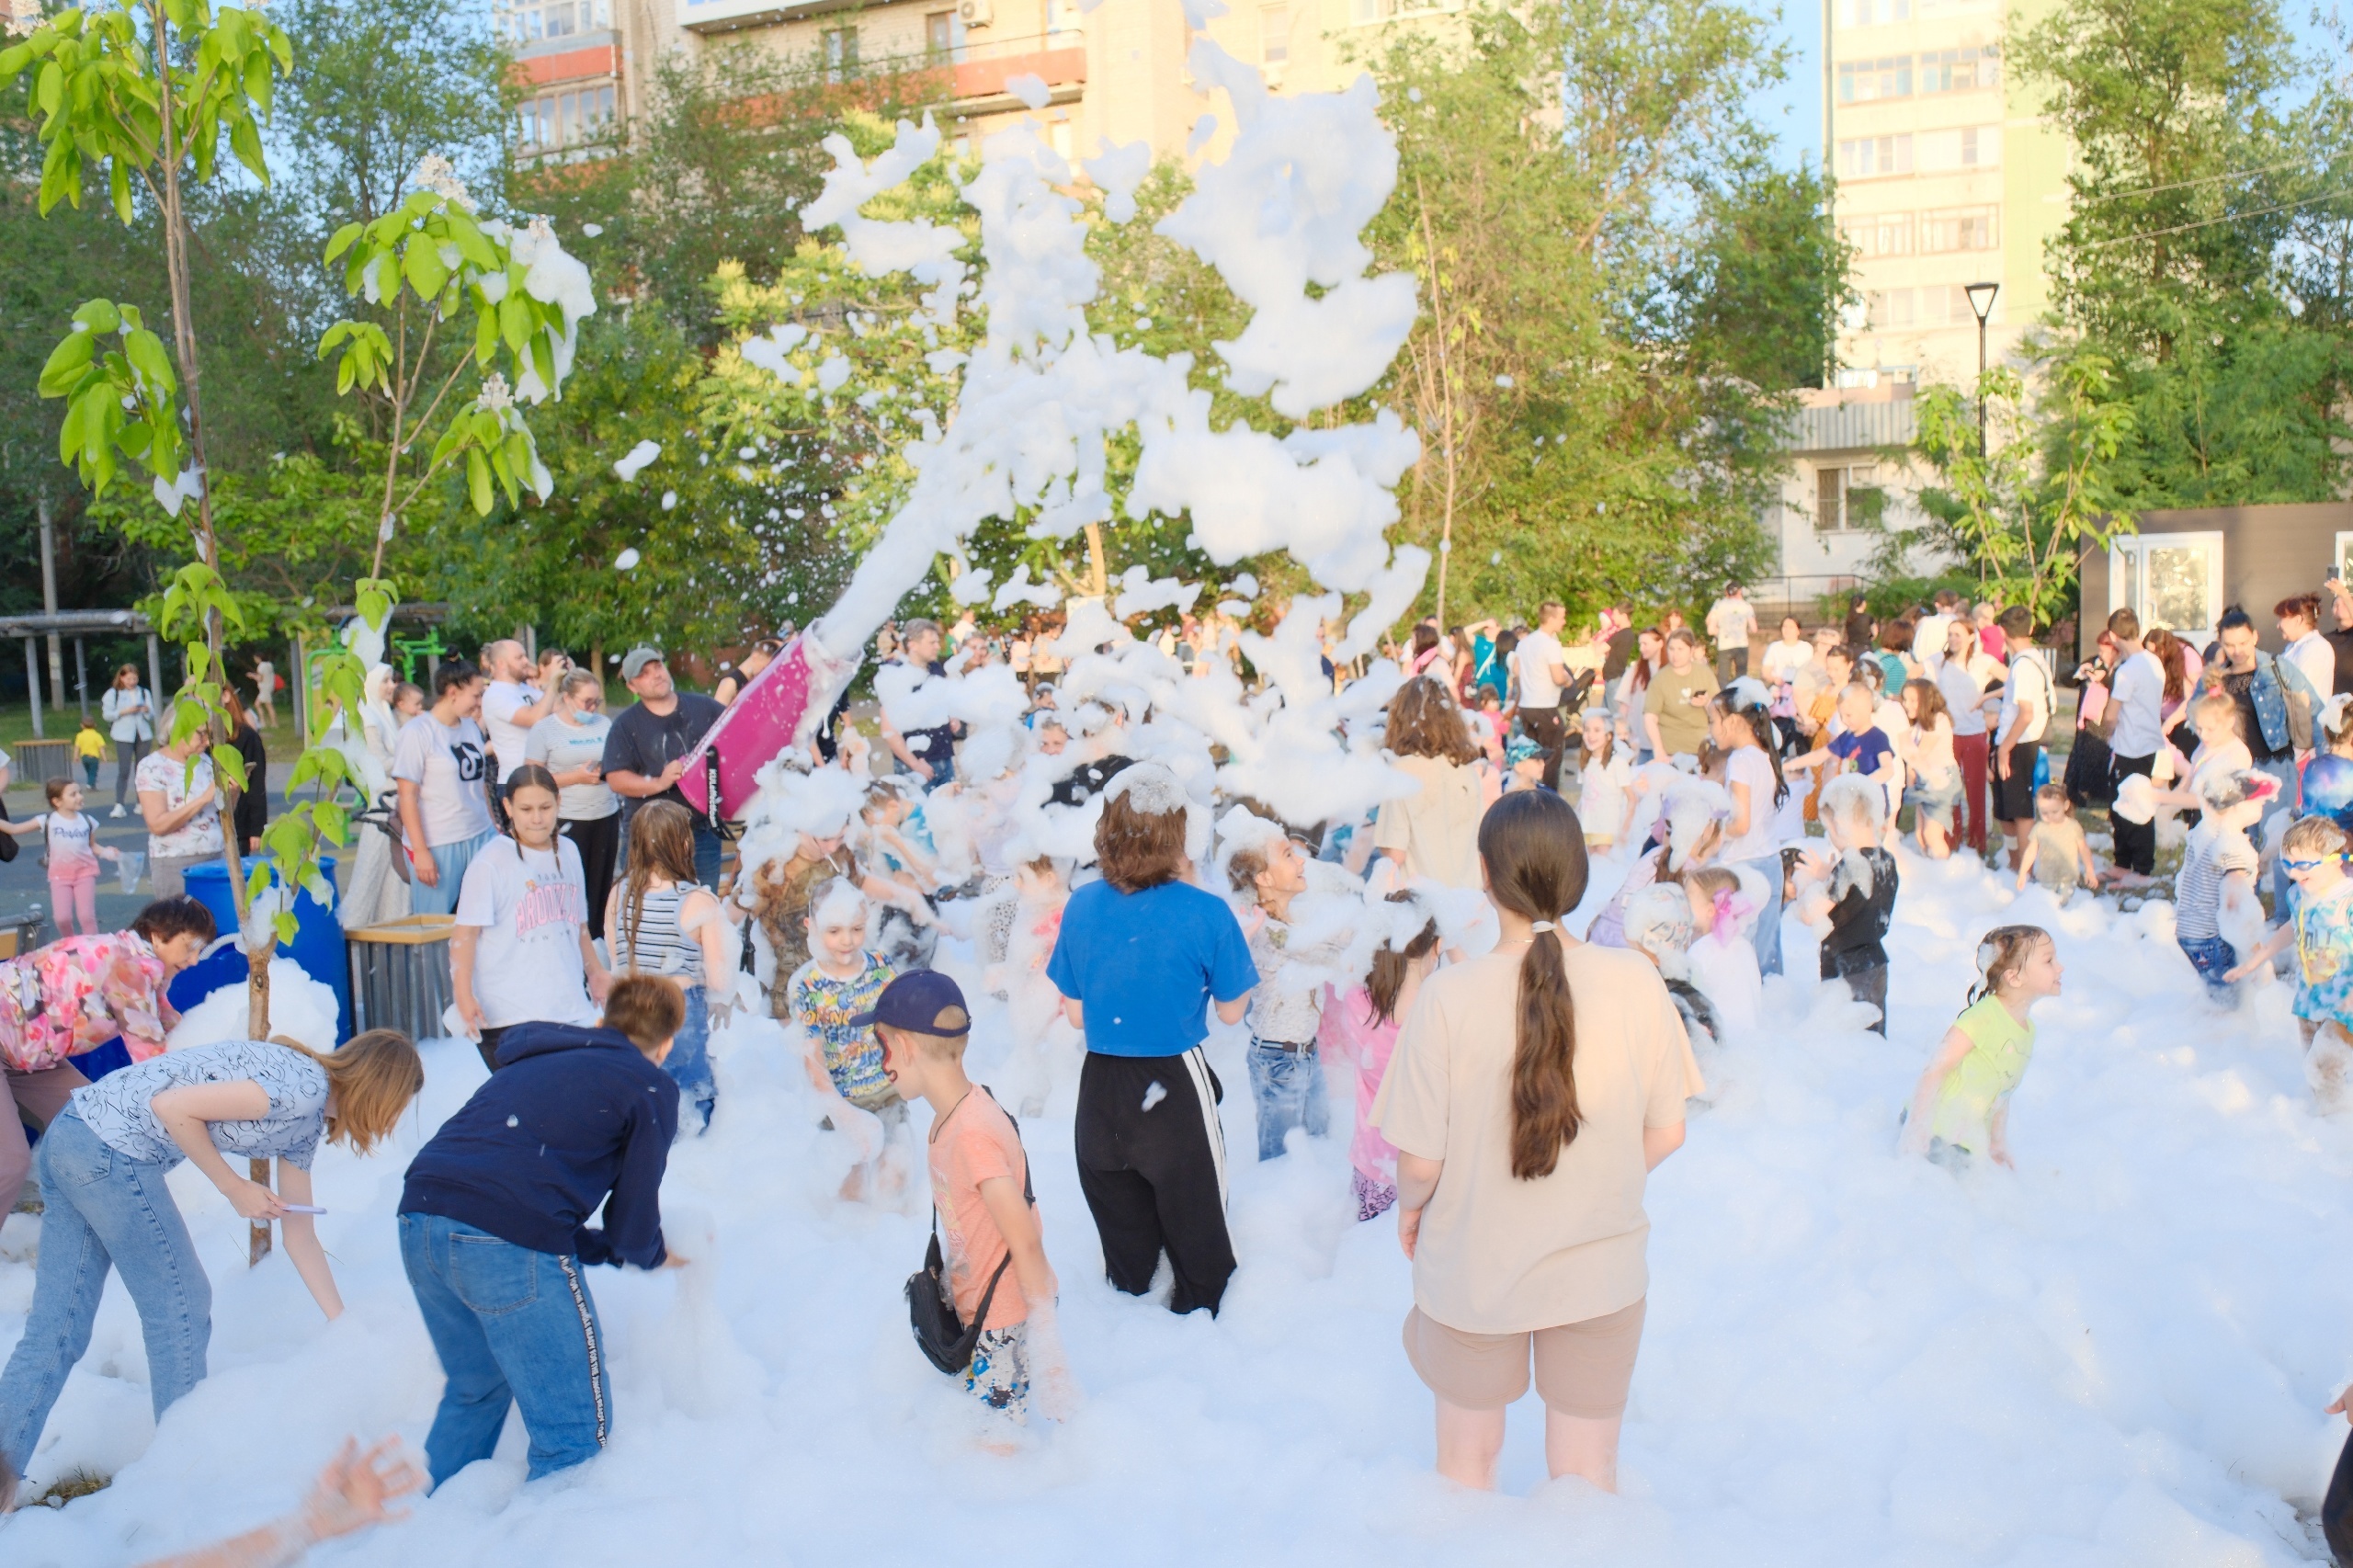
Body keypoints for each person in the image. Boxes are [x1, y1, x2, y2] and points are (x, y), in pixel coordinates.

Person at [1373, 787, 1701, 1494]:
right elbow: (1667, 1130)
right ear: (1579, 875)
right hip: (1600, 1267)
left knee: (1465, 1471)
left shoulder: (1449, 996)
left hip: (1472, 1264)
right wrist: (1602, 1176)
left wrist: (1409, 1209)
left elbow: (1421, 1160)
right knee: (1586, 1481)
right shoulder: (1636, 982)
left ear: (1485, 877)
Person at [0, 1029, 424, 1479]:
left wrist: (342, 1324)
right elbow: (173, 1107)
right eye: (397, 1105)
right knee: (180, 1305)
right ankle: (180, 1476)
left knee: (58, 1326)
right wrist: (235, 1187)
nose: (392, 1119)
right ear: (381, 1091)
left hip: (74, 1134)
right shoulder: (303, 1086)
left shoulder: (305, 1121)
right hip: (108, 1150)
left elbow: (300, 1234)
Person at [397, 976, 686, 1489]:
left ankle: (429, 1525)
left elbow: (511, 1190)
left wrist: (603, 1249)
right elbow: (632, 1219)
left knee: (475, 1389)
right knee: (574, 1435)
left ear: (602, 1023)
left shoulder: (535, 1060)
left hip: (420, 1218)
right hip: (504, 1239)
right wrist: (653, 1253)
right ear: (666, 1044)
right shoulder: (648, 1084)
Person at [1044, 764, 1256, 1317]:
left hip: (1100, 1090)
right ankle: (1201, 1313)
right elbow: (1234, 1013)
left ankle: (1132, 1300)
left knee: (1122, 1222)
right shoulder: (1207, 912)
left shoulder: (1082, 904)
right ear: (1181, 837)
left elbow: (1073, 1014)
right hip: (1173, 1087)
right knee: (1196, 1215)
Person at [870, 969, 1074, 1431]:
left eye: (882, 1047)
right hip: (980, 1309)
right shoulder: (954, 1115)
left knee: (997, 1445)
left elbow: (1025, 1240)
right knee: (981, 1428)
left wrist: (1050, 1353)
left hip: (1003, 1319)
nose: (881, 1063)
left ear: (904, 1047)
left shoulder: (972, 1134)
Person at [0, 895, 214, 1217]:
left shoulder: (136, 959)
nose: (195, 959)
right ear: (158, 935)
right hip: (11, 1039)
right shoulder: (127, 967)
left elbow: (165, 1021)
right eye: (190, 946)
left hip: (24, 1051)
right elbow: (153, 1061)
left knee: (96, 1123)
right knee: (12, 1160)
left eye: (201, 949)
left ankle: (93, 1220)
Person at [451, 765, 607, 1074]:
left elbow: (578, 925)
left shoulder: (570, 851)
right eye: (526, 809)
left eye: (545, 807)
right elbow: (465, 934)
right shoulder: (490, 862)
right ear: (508, 807)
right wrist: (463, 993)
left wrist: (596, 972)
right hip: (509, 1015)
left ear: (558, 803)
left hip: (568, 1007)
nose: (537, 818)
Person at [1225, 824, 1348, 1162]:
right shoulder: (1268, 932)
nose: (1301, 862)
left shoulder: (1290, 921)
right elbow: (1322, 953)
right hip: (1278, 1060)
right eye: (1288, 855)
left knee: (1318, 1145)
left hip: (1306, 1051)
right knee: (1280, 1161)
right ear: (1263, 879)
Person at [608, 800, 733, 1132]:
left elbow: (617, 957)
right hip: (679, 1010)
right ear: (684, 843)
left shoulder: (619, 893)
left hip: (629, 1005)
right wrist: (722, 997)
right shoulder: (698, 901)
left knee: (638, 1088)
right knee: (689, 1094)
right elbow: (720, 976)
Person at [1318, 892, 1439, 1221]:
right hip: (1425, 1164)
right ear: (1437, 947)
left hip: (1373, 1162)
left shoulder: (1357, 1001)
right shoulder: (1436, 1015)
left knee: (1362, 1247)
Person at [1900, 926, 2060, 1169]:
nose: (2060, 967)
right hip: (1935, 1132)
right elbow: (1935, 1068)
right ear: (2014, 977)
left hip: (1965, 1142)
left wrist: (1997, 1145)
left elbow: (2003, 1091)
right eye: (2049, 961)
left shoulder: (2027, 1029)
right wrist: (1916, 1128)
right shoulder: (1983, 1017)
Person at [788, 878, 904, 1199]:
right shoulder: (808, 986)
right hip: (843, 1100)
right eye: (834, 931)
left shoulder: (881, 967)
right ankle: (850, 1233)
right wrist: (842, 1113)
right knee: (850, 1187)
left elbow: (900, 1026)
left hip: (889, 1091)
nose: (847, 940)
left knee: (894, 1180)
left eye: (856, 929)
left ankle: (892, 1232)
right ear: (811, 926)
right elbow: (813, 1060)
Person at [603, 646, 727, 889]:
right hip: (650, 836)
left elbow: (737, 741)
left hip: (701, 832)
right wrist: (659, 783)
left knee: (703, 904)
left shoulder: (705, 708)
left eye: (658, 666)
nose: (656, 674)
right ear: (632, 687)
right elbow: (616, 779)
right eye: (645, 673)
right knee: (644, 907)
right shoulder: (625, 725)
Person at [1792, 776, 1897, 1034]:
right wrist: (1827, 875)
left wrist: (1804, 886)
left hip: (1845, 967)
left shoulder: (1850, 866)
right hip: (1875, 962)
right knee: (1871, 1037)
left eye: (1829, 829)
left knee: (1843, 1037)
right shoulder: (1886, 860)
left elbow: (1810, 915)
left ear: (1841, 825)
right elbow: (1861, 896)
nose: (1830, 837)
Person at [392, 664, 495, 917]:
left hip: (480, 833)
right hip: (441, 841)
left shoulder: (470, 727)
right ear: (453, 692)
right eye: (476, 695)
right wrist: (421, 851)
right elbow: (407, 796)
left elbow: (479, 784)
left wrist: (494, 827)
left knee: (486, 917)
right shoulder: (417, 732)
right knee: (436, 924)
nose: (480, 703)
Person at [527, 668, 621, 941]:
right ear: (567, 698)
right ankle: (567, 941)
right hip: (569, 817)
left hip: (604, 813)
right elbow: (533, 779)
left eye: (596, 701)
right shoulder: (545, 729)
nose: (592, 708)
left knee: (600, 886)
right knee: (569, 886)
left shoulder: (603, 724)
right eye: (586, 702)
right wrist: (575, 777)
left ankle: (598, 945)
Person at [1371, 676, 1487, 887]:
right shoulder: (1467, 771)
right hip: (1469, 902)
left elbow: (1394, 855)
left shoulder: (1402, 773)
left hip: (1424, 905)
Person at [1707, 690, 1788, 975]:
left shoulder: (1739, 761)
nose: (1710, 730)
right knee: (1768, 958)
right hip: (1771, 862)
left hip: (1744, 867)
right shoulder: (1765, 755)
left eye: (1712, 721)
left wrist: (1712, 838)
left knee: (1741, 958)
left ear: (1732, 722)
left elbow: (1741, 825)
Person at [2172, 770, 2272, 996]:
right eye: (2257, 803)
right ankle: (2218, 1029)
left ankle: (2208, 1022)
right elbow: (2234, 904)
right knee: (2228, 999)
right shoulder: (2233, 845)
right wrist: (2257, 951)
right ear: (2240, 808)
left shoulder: (2202, 833)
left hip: (2188, 930)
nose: (2260, 808)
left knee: (2214, 991)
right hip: (2211, 936)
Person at [2202, 605, 2312, 799]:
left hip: (2275, 766)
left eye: (2243, 643)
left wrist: (2325, 755)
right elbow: (2195, 714)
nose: (2237, 651)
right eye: (2229, 645)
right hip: (2233, 767)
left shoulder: (2277, 667)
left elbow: (2314, 707)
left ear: (2255, 636)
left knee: (2274, 828)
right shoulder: (2216, 677)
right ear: (2220, 642)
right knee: (2239, 829)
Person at [2, 777, 122, 937]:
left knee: (86, 916)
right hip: (60, 876)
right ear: (57, 801)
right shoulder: (47, 820)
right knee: (62, 918)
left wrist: (107, 852)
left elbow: (92, 845)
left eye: (79, 792)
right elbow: (14, 829)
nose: (80, 797)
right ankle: (70, 942)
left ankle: (93, 946)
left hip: (85, 873)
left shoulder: (88, 821)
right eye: (73, 794)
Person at [2102, 608, 2165, 887]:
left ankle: (2141, 869)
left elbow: (2111, 714)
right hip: (2149, 742)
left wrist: (2106, 734)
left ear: (2114, 636)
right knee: (2122, 806)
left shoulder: (2128, 671)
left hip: (2131, 746)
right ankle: (2122, 863)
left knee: (2133, 807)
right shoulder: (2154, 662)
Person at [1991, 606, 2055, 869]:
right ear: (2030, 629)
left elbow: (2026, 713)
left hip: (2021, 743)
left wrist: (2005, 748)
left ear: (2002, 631)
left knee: (2020, 811)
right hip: (2014, 740)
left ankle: (2024, 869)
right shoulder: (2032, 660)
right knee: (2006, 810)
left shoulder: (2024, 667)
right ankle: (2014, 861)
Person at [138, 713, 225, 898]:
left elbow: (220, 811)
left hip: (215, 855)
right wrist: (202, 799)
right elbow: (157, 825)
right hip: (176, 859)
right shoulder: (152, 766)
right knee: (180, 923)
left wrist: (232, 791)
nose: (207, 742)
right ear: (178, 731)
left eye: (210, 735)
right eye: (201, 734)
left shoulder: (205, 761)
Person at [1933, 619, 1998, 855]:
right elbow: (1912, 673)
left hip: (1974, 733)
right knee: (1951, 789)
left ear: (1971, 637)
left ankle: (1977, 844)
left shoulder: (1982, 662)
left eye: (1958, 634)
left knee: (1975, 791)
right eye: (1950, 634)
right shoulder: (1939, 662)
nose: (1953, 639)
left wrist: (1989, 701)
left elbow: (2014, 680)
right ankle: (1951, 840)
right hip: (1948, 734)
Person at [879, 618, 961, 792]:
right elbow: (888, 730)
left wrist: (951, 718)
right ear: (913, 645)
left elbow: (942, 702)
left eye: (937, 642)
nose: (938, 647)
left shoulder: (936, 669)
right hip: (917, 767)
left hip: (945, 758)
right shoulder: (895, 674)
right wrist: (914, 764)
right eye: (931, 642)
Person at [478, 639, 564, 785]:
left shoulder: (525, 689)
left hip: (539, 777)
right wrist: (552, 683)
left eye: (525, 656)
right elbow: (535, 718)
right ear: (501, 663)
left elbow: (560, 710)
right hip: (516, 781)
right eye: (519, 657)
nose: (526, 661)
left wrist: (543, 677)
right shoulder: (495, 694)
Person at [1897, 679, 1961, 859]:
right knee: (1921, 836)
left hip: (1941, 779)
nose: (1906, 704)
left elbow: (1918, 755)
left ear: (1927, 700)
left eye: (1913, 700)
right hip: (1924, 779)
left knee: (1932, 835)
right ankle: (1931, 873)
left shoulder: (1939, 720)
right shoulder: (1917, 726)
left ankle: (1945, 876)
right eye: (1904, 699)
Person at [1514, 601, 1574, 790]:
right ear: (1552, 618)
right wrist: (1567, 680)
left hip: (1527, 706)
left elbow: (1516, 670)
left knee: (1532, 757)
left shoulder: (1524, 643)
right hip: (1545, 706)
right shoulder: (1550, 645)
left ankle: (1530, 791)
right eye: (1562, 617)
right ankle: (1549, 797)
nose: (1564, 622)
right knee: (1551, 757)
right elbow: (1557, 677)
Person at [1643, 629, 1719, 765]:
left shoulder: (1705, 674)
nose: (1675, 654)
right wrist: (1658, 750)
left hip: (1702, 750)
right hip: (1671, 752)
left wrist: (1707, 703)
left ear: (1691, 650)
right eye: (1671, 649)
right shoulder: (1659, 680)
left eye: (1680, 649)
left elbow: (1720, 711)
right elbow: (1650, 717)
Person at [2017, 783, 2100, 900]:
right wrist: (2022, 873)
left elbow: (2083, 848)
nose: (2050, 816)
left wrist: (2090, 870)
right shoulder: (2040, 828)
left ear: (2065, 806)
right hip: (2045, 877)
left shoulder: (2073, 827)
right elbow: (2031, 852)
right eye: (2044, 813)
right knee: (2047, 904)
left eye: (2055, 812)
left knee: (2063, 904)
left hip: (2068, 877)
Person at [1576, 710, 1635, 853]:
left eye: (1597, 730)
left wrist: (1625, 829)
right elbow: (1585, 795)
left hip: (1608, 828)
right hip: (1587, 826)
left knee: (1604, 866)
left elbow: (1632, 798)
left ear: (1609, 736)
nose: (1590, 735)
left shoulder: (1617, 762)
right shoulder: (1585, 762)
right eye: (1587, 730)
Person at [104, 663, 156, 818]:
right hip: (123, 734)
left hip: (143, 734)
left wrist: (146, 710)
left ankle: (141, 803)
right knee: (124, 770)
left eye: (134, 678)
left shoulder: (144, 692)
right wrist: (124, 711)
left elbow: (151, 715)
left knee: (141, 769)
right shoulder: (114, 693)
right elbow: (107, 714)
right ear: (121, 678)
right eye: (128, 679)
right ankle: (119, 804)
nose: (132, 682)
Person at [222, 689, 269, 855]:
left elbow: (256, 784)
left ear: (225, 696)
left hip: (238, 824)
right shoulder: (198, 738)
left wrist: (256, 828)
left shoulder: (246, 736)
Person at [2280, 592, 2336, 713]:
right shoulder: (2293, 646)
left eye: (2282, 619)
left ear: (2297, 620)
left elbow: (2297, 688)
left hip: (2308, 724)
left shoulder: (2316, 648)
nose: (2278, 625)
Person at [1703, 582, 1755, 682]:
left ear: (1727, 592)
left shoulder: (1719, 605)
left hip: (1724, 644)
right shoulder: (1746, 606)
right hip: (1741, 644)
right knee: (1741, 677)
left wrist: (1719, 632)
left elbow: (1710, 628)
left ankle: (1723, 697)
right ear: (1739, 592)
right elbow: (1754, 628)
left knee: (1723, 677)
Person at [714, 637, 784, 705]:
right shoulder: (730, 683)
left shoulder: (751, 684)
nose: (767, 668)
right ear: (756, 655)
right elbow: (717, 714)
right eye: (767, 665)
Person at [74, 715, 105, 790]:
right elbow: (101, 747)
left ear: (82, 725)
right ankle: (89, 785)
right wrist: (104, 757)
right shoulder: (97, 735)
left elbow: (77, 747)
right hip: (94, 757)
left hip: (84, 757)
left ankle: (92, 785)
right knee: (93, 772)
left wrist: (76, 756)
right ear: (95, 725)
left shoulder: (80, 735)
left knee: (89, 772)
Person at [251, 656, 278, 729]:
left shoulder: (261, 666)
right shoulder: (269, 665)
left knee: (268, 706)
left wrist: (252, 676)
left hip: (264, 688)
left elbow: (260, 678)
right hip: (269, 687)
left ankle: (273, 723)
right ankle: (265, 722)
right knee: (257, 704)